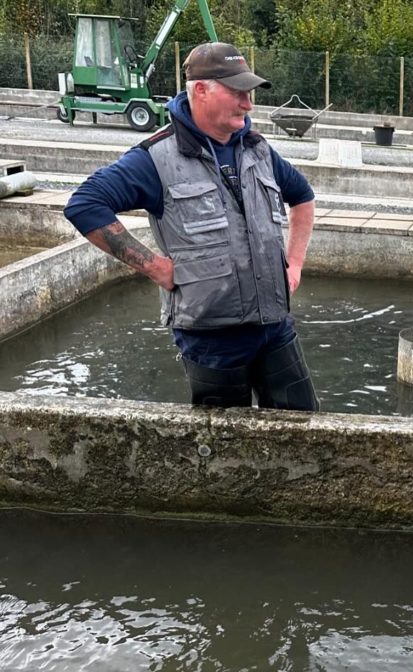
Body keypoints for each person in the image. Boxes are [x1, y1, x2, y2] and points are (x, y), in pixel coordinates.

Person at [63, 42, 319, 411]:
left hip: (275, 327)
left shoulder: (257, 149)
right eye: (238, 94)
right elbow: (85, 205)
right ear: (201, 90)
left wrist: (293, 265)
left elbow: (303, 196)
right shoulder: (155, 158)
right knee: (224, 447)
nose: (248, 105)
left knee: (303, 427)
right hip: (211, 338)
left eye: (249, 95)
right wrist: (153, 267)